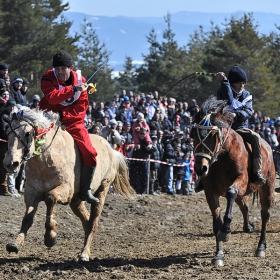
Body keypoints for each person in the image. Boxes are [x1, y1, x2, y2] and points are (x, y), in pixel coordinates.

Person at [39, 50, 99, 204]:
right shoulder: (47, 77)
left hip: (73, 122)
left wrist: (64, 119)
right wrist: (72, 89)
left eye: (63, 69)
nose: (60, 72)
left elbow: (81, 109)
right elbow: (52, 99)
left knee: (90, 152)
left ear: (71, 68)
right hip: (48, 118)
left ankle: (85, 190)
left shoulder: (82, 81)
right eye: (57, 69)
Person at [195, 66, 266, 191]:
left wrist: (237, 114)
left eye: (243, 83)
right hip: (223, 127)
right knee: (207, 139)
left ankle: (257, 172)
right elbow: (229, 100)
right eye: (239, 83)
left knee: (255, 138)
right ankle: (203, 178)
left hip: (240, 128)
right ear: (232, 83)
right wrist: (225, 82)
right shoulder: (223, 90)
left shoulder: (247, 95)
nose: (242, 86)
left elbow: (248, 112)